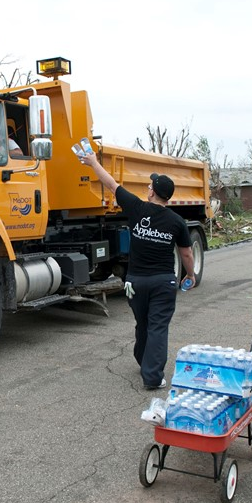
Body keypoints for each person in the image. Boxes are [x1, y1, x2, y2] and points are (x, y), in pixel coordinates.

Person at [80, 152, 197, 390]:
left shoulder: (136, 208)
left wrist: (93, 163)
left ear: (153, 192)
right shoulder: (177, 221)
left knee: (143, 324)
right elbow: (186, 253)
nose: (147, 187)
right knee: (157, 327)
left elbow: (112, 185)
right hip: (164, 283)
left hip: (136, 283)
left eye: (149, 185)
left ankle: (144, 361)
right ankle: (152, 376)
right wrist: (190, 274)